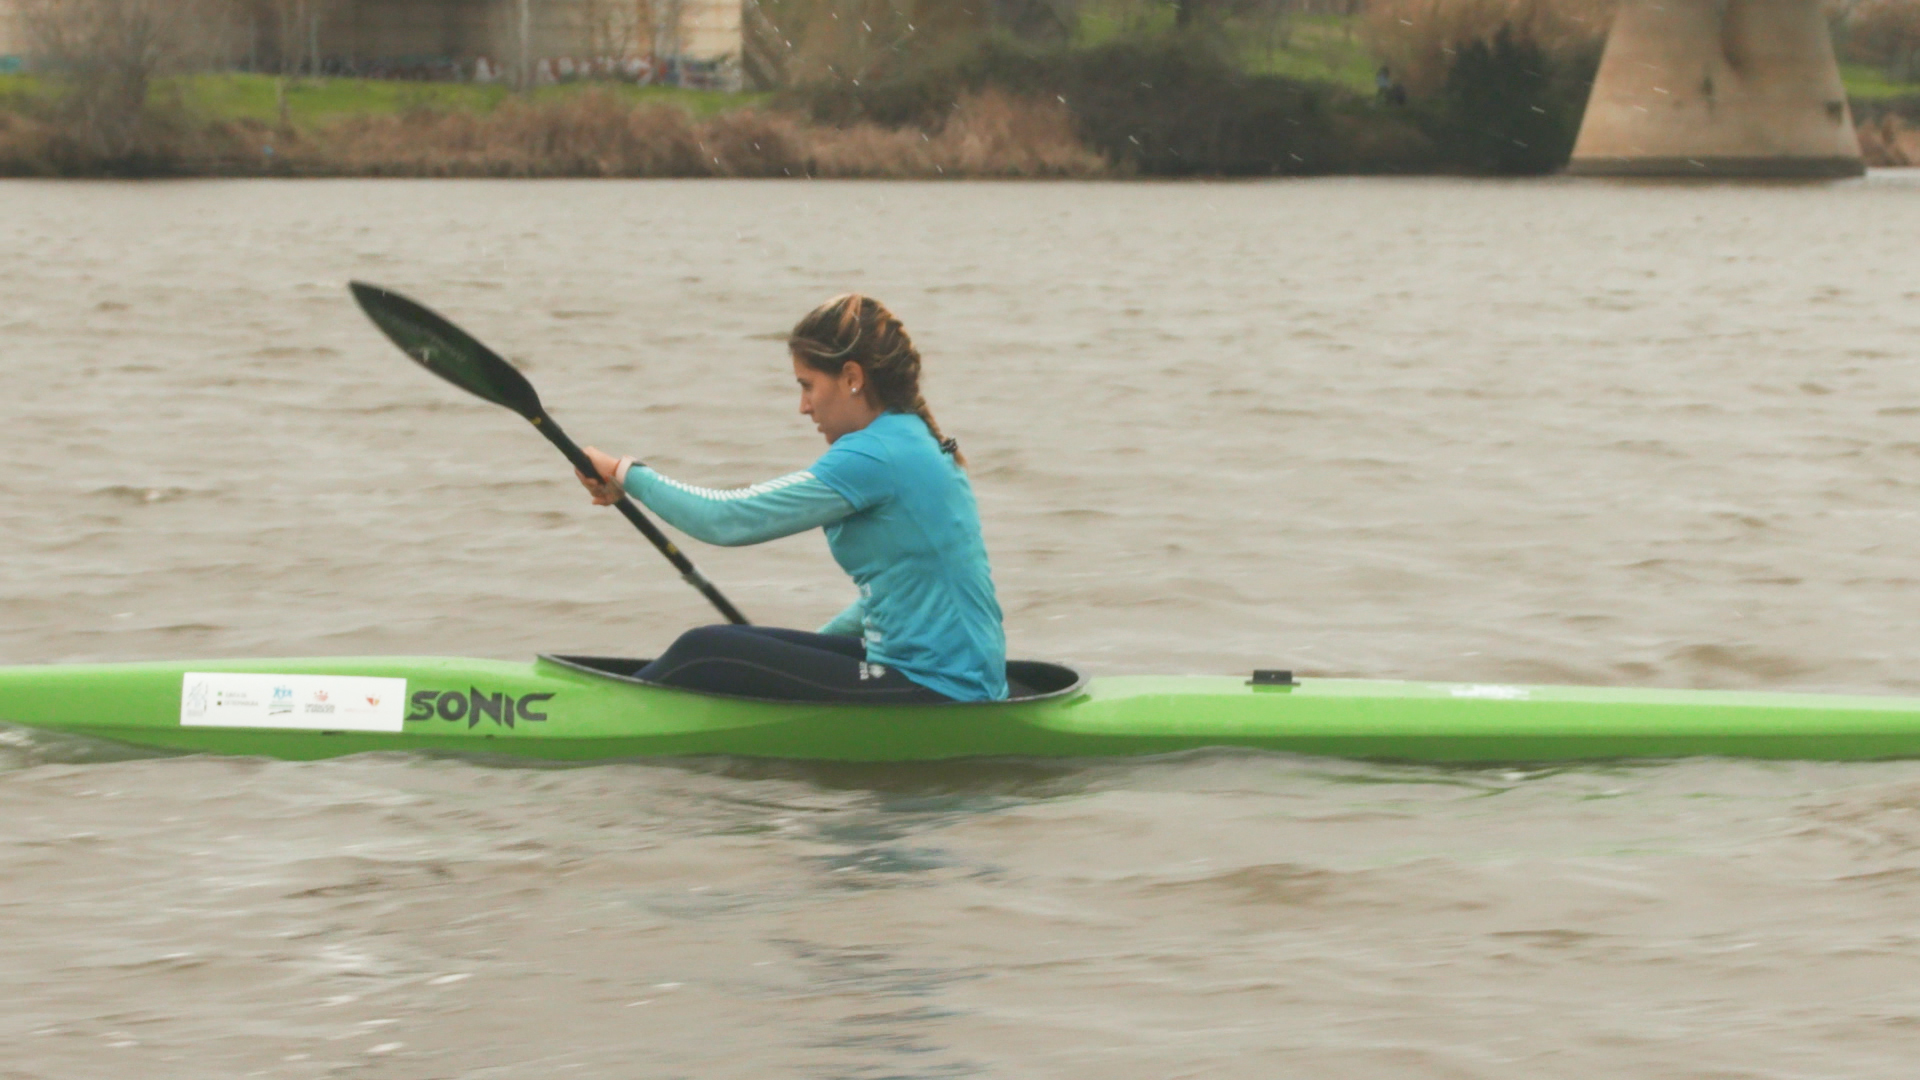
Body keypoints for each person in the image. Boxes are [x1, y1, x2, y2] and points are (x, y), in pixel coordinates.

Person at [576, 294, 1008, 704]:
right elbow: (901, 592)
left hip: (939, 687)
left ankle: (587, 713)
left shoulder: (874, 455)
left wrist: (622, 472)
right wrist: (802, 654)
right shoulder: (913, 438)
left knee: (704, 649)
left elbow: (726, 519)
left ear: (852, 378)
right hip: (962, 676)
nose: (803, 406)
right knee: (746, 645)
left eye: (808, 385)